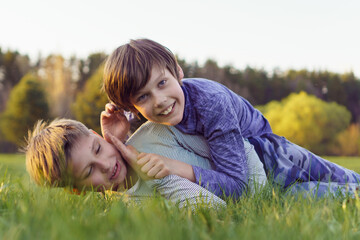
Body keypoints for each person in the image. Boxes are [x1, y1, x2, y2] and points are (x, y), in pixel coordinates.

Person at [102, 38, 360, 199]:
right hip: (261, 183)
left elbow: (238, 184)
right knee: (325, 196)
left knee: (349, 181)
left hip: (272, 154)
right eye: (143, 97)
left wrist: (175, 167)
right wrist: (117, 137)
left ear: (178, 72)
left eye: (162, 83)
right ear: (132, 107)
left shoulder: (210, 104)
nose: (158, 100)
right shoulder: (150, 115)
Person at [24, 118, 267, 208]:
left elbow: (241, 148)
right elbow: (215, 209)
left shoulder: (157, 133)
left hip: (269, 158)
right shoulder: (133, 210)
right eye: (89, 170)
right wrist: (157, 177)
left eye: (98, 149)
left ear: (97, 135)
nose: (106, 165)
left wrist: (260, 196)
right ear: (77, 190)